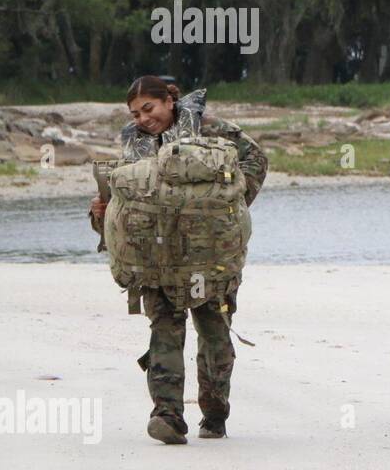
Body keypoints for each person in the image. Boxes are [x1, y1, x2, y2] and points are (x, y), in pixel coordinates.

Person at [88, 76, 268, 444]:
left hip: (209, 256)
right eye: (135, 113)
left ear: (170, 101)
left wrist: (231, 203)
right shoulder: (134, 144)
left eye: (148, 109)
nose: (142, 118)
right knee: (164, 333)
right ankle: (167, 415)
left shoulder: (210, 128)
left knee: (214, 335)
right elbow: (124, 200)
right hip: (158, 258)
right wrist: (101, 213)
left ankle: (214, 412)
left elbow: (256, 159)